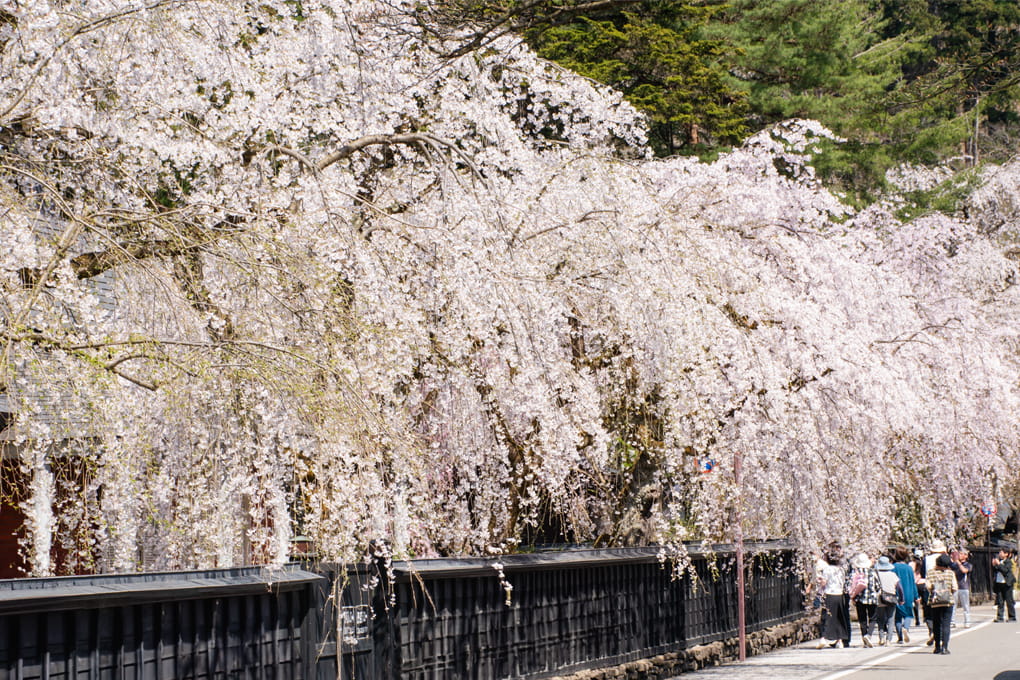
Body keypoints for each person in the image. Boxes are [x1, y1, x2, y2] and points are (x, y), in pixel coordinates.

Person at [816, 548, 851, 648]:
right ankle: (840, 640)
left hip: (829, 594)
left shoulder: (827, 569)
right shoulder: (841, 570)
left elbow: (824, 583)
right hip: (839, 595)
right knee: (838, 617)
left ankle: (823, 637)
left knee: (826, 617)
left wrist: (819, 582)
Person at [845, 552, 882, 647]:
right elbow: (878, 586)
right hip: (872, 598)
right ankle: (869, 635)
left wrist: (853, 596)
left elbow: (850, 585)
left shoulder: (855, 572)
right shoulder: (872, 571)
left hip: (859, 599)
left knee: (862, 619)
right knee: (873, 618)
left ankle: (864, 637)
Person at [927, 553, 958, 654]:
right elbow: (955, 587)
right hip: (948, 601)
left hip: (935, 601)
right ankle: (945, 647)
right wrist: (948, 592)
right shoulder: (950, 573)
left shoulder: (930, 573)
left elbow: (928, 586)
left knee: (936, 624)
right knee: (946, 624)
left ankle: (937, 647)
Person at [892, 546, 918, 644]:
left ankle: (900, 638)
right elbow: (913, 582)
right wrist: (916, 596)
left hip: (896, 594)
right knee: (908, 615)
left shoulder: (893, 567)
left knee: (898, 616)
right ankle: (906, 628)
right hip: (908, 593)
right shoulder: (909, 568)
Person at [875, 555, 902, 646]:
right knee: (891, 619)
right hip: (891, 597)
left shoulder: (876, 574)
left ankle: (881, 637)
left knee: (880, 619)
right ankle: (888, 640)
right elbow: (899, 588)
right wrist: (902, 598)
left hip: (880, 598)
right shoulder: (893, 575)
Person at [992, 547, 1017, 622]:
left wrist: (998, 564)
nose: (1000, 554)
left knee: (1009, 601)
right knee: (1000, 601)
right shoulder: (1000, 561)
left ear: (1006, 554)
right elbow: (996, 570)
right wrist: (994, 565)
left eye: (1001, 552)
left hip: (1007, 583)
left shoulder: (1008, 562)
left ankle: (1012, 617)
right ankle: (1000, 617)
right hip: (999, 583)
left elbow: (1005, 570)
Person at [951, 548, 972, 628]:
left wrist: (958, 563)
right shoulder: (954, 565)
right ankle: (952, 621)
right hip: (955, 587)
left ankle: (967, 621)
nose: (959, 555)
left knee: (965, 606)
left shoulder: (968, 564)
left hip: (964, 587)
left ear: (965, 556)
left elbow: (964, 571)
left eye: (961, 553)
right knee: (953, 605)